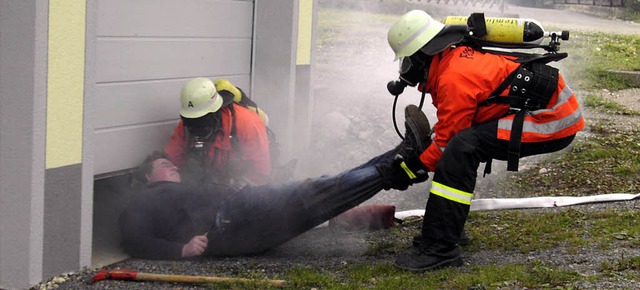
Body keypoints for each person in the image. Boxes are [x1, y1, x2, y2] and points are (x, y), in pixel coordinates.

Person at [386, 10, 585, 271]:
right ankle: (446, 231)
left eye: (408, 62)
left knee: (461, 148)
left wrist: (413, 168)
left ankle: (440, 248)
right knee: (462, 145)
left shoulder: (454, 76)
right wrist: (421, 159)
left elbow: (448, 142)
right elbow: (454, 124)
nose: (407, 72)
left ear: (422, 54)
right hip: (547, 111)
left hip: (553, 119)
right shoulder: (453, 58)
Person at [120, 105, 432, 260]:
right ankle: (400, 162)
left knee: (325, 199)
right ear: (146, 178)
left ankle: (402, 158)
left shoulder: (178, 189)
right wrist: (181, 250)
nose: (172, 167)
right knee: (321, 190)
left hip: (245, 234)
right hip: (232, 216)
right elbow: (133, 239)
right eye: (163, 165)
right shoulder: (141, 201)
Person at [164, 77, 271, 188]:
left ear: (216, 110)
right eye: (191, 120)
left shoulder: (247, 124)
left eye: (201, 119)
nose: (196, 127)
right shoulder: (188, 125)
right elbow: (172, 158)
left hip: (239, 188)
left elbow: (260, 173)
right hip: (206, 186)